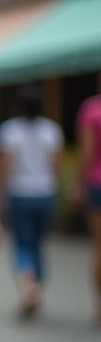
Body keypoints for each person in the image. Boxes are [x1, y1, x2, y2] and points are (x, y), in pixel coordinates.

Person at [0, 85, 63, 319]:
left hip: (20, 193)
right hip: (45, 193)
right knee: (38, 245)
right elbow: (57, 167)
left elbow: (6, 166)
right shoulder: (51, 131)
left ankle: (29, 287)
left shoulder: (10, 130)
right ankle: (37, 287)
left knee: (23, 244)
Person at [77, 79, 101, 325]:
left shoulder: (92, 110)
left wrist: (79, 185)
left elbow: (87, 152)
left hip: (97, 184)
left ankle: (99, 307)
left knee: (99, 248)